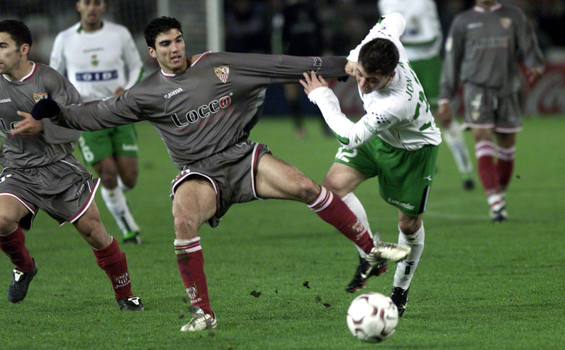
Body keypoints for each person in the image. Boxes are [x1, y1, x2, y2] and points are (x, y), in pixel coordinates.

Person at [18, 16, 410, 332]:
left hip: (240, 158)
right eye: (166, 44)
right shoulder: (146, 94)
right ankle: (203, 312)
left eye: (178, 40)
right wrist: (56, 114)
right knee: (184, 220)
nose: (175, 49)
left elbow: (276, 66)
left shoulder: (217, 66)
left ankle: (369, 246)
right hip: (199, 172)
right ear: (153, 53)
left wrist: (341, 65)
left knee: (307, 186)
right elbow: (96, 114)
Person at [300, 12, 442, 317]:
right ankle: (370, 252)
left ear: (390, 76)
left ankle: (400, 290)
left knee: (408, 224)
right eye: (360, 75)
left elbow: (350, 137)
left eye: (372, 80)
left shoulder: (395, 102)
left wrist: (323, 96)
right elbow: (395, 17)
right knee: (332, 189)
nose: (362, 84)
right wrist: (354, 56)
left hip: (413, 151)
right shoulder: (385, 41)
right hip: (379, 139)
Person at [0, 19, 143, 311]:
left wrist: (42, 128)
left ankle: (125, 295)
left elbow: (77, 121)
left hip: (59, 167)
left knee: (95, 234)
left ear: (23, 49)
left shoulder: (50, 80)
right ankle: (25, 267)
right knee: (1, 218)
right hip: (19, 169)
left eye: (2, 46)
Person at [437, 0, 545, 221]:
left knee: (506, 142)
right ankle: (495, 202)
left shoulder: (514, 16)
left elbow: (529, 43)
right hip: (476, 88)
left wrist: (535, 64)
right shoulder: (463, 21)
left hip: (507, 88)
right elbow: (451, 61)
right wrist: (445, 98)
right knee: (481, 135)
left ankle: (498, 194)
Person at [49, 0, 144, 244]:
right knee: (108, 175)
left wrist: (128, 91)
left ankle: (118, 199)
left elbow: (136, 66)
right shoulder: (64, 39)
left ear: (104, 6)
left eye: (97, 3)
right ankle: (129, 229)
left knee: (129, 178)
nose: (92, 8)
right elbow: (53, 76)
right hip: (86, 117)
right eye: (87, 2)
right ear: (78, 5)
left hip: (120, 112)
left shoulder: (119, 34)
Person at [378, 0, 475, 190]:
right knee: (399, 117)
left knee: (444, 117)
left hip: (428, 63)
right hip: (401, 64)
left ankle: (466, 171)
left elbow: (432, 38)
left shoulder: (422, 2)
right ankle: (420, 162)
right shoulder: (385, 2)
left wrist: (401, 39)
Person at [281, 0, 330, 138]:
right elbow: (281, 37)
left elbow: (321, 32)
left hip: (312, 59)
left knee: (319, 91)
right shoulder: (287, 11)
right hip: (293, 59)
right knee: (292, 93)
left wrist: (324, 51)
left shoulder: (312, 9)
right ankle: (299, 127)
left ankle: (325, 126)